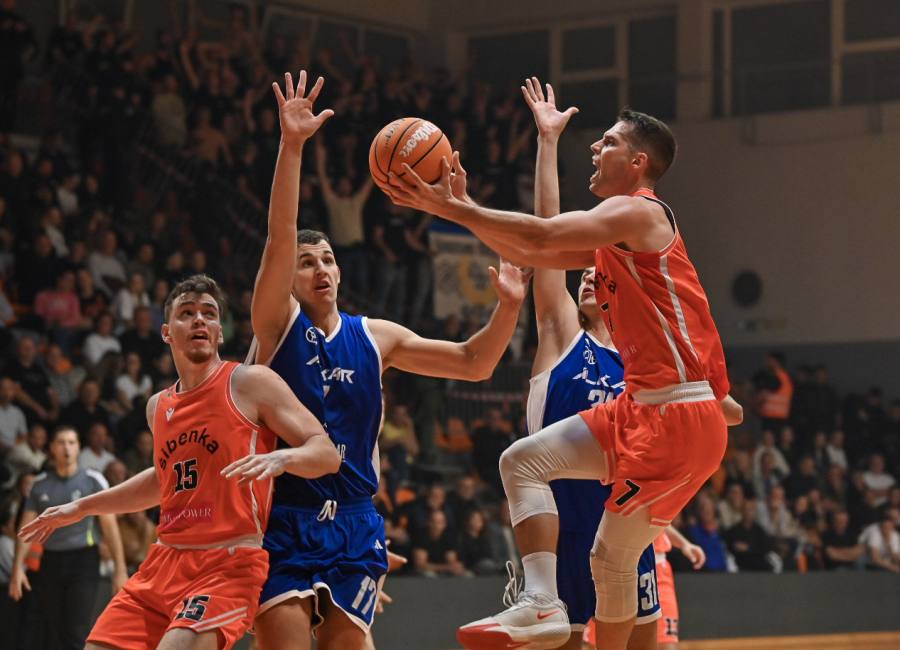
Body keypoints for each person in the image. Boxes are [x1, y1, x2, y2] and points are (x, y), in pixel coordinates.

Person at [388, 77, 741, 650]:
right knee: (531, 472)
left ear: (639, 161)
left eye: (608, 141)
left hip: (672, 417)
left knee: (610, 557)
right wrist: (464, 208)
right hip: (645, 412)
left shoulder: (641, 213)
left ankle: (547, 603)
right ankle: (541, 600)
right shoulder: (615, 243)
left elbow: (543, 233)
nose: (596, 148)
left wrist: (451, 207)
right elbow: (534, 251)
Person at [249, 71, 529, 650]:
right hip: (285, 516)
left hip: (356, 519)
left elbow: (474, 362)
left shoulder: (376, 337)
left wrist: (508, 308)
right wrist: (292, 145)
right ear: (289, 277)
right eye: (307, 262)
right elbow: (279, 235)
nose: (321, 268)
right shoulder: (275, 326)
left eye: (328, 258)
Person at [18, 274, 341, 649]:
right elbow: (163, 480)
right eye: (187, 313)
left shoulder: (250, 382)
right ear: (167, 332)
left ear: (219, 332)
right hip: (163, 563)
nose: (199, 319)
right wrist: (81, 507)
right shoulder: (158, 407)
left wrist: (283, 457)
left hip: (227, 563)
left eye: (209, 313)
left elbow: (326, 453)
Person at [508, 83, 659, 650]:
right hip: (567, 534)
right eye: (585, 274)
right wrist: (548, 143)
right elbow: (548, 232)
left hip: (625, 527)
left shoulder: (641, 360)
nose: (592, 275)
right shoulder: (561, 335)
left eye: (601, 273)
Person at [9, 424, 129, 650]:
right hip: (50, 560)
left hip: (84, 560)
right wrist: (17, 568)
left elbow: (110, 526)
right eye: (61, 443)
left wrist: (120, 569)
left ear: (78, 447)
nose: (67, 448)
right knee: (53, 628)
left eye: (72, 443)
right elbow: (26, 529)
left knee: (76, 628)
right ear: (52, 448)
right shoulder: (39, 484)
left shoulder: (93, 480)